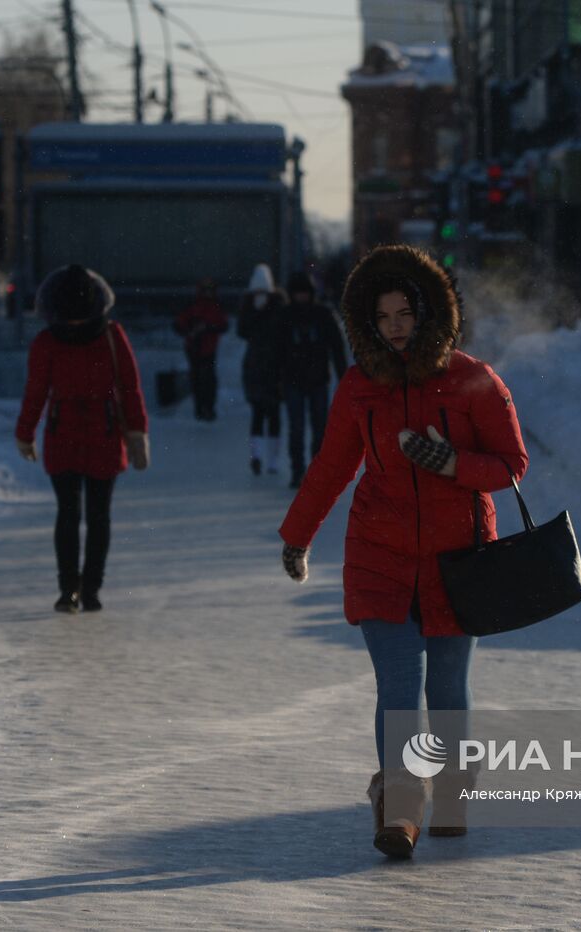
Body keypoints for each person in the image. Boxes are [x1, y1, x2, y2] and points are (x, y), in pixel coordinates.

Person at [277, 245, 528, 858]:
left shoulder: (473, 379)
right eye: (383, 314)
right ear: (367, 321)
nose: (394, 325)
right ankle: (400, 805)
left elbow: (511, 465)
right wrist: (298, 533)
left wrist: (451, 464)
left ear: (428, 313)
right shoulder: (361, 387)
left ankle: (451, 795)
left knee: (446, 686)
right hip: (379, 554)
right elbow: (333, 465)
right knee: (398, 681)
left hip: (457, 559)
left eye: (404, 312)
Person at [15, 264, 149, 614]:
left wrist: (137, 433)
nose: (74, 325)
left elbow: (130, 387)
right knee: (69, 514)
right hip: (64, 434)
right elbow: (35, 392)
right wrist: (25, 433)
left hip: (104, 434)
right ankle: (68, 588)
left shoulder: (111, 336)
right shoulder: (47, 342)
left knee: (99, 516)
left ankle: (92, 588)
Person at [278, 270, 348, 488]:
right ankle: (298, 470)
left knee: (320, 428)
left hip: (318, 379)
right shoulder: (285, 316)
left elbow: (336, 347)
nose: (301, 297)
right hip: (293, 380)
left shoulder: (322, 315)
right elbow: (275, 350)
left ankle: (317, 472)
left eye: (304, 293)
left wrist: (343, 377)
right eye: (298, 293)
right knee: (296, 428)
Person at [237, 263, 287, 475]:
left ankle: (272, 459)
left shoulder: (278, 307)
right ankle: (257, 456)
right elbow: (242, 331)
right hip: (257, 366)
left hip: (272, 365)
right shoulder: (250, 306)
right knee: (259, 412)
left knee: (272, 413)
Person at [174, 277, 229, 421]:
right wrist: (191, 330)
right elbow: (179, 324)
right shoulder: (193, 305)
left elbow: (223, 325)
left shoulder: (216, 306)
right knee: (197, 378)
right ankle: (199, 409)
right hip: (194, 347)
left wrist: (207, 328)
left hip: (209, 348)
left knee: (208, 379)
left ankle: (208, 408)